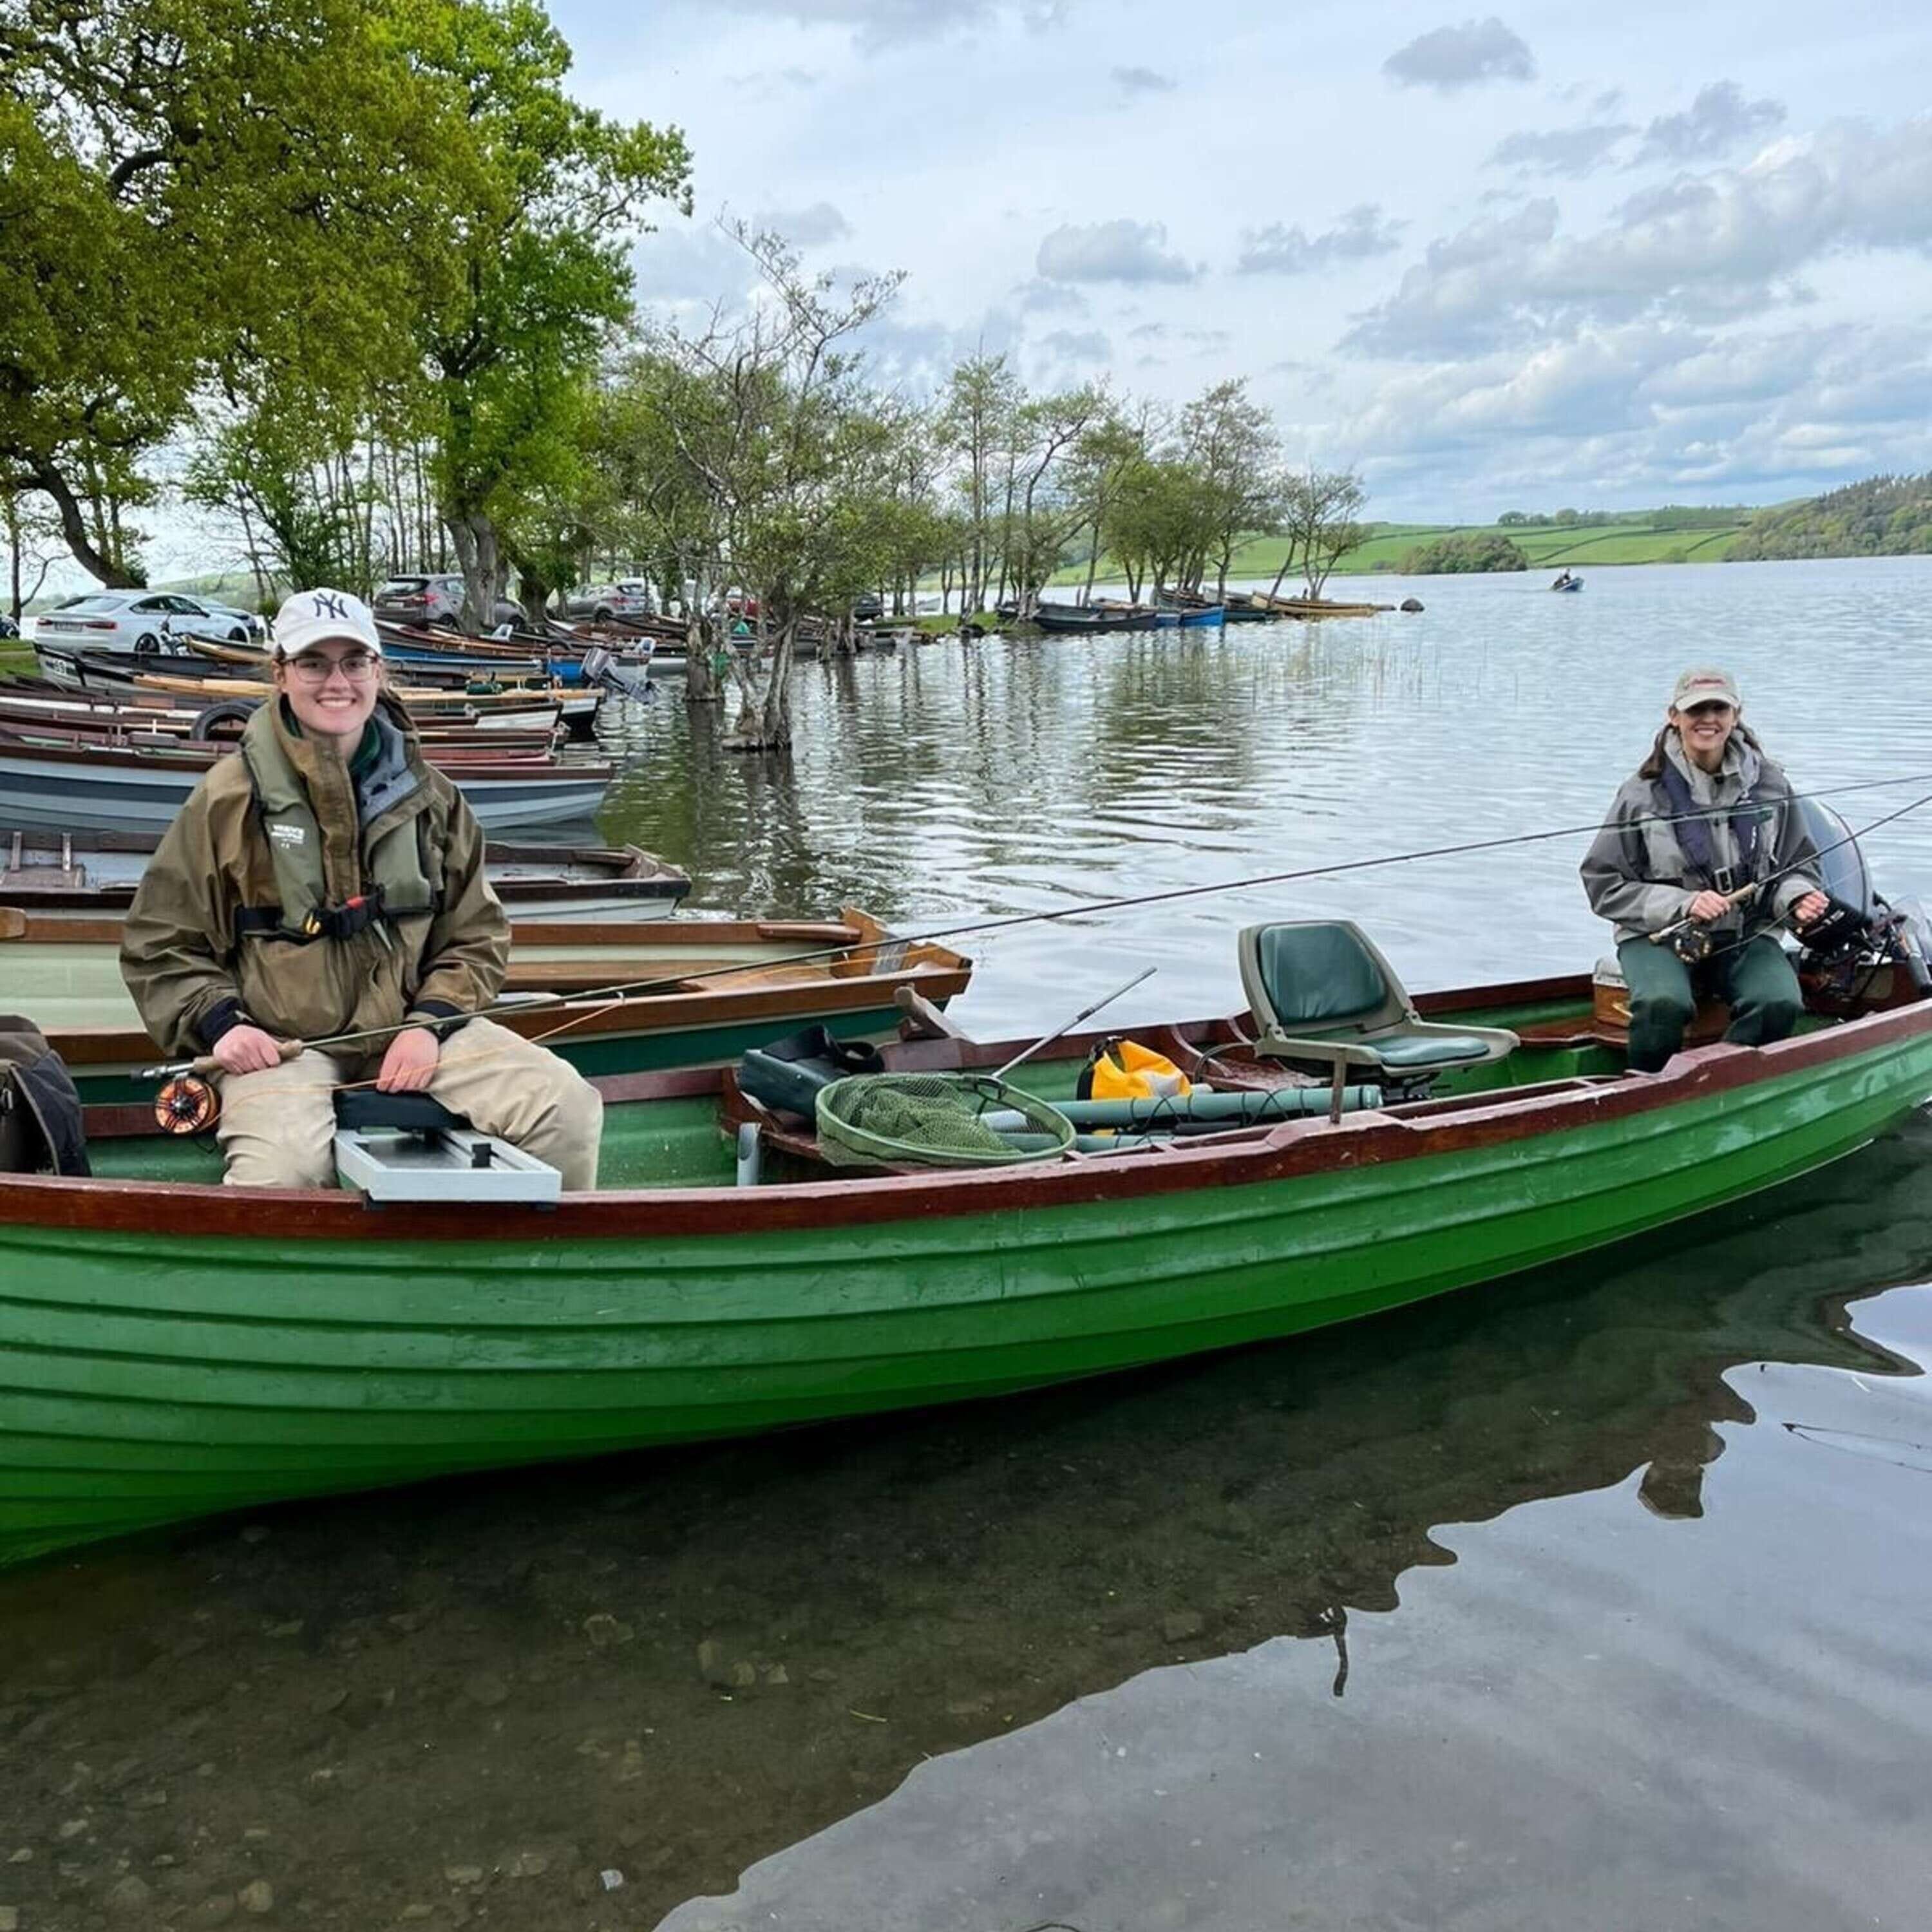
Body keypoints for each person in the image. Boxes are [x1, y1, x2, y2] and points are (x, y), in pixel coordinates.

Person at [120, 587, 603, 1189]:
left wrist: (428, 1024)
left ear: (378, 670)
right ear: (281, 674)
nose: (337, 682)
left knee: (566, 1107)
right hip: (282, 1050)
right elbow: (159, 945)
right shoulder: (224, 800)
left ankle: (526, 1247)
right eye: (313, 663)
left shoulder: (435, 798)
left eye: (354, 662)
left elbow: (476, 937)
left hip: (417, 1033)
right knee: (281, 1173)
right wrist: (226, 1026)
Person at [1581, 668, 1828, 1073]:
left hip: (1746, 933)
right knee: (1663, 1004)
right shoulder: (1640, 793)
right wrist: (1683, 904)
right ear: (1674, 717)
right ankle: (1647, 1090)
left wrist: (1797, 897)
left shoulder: (1771, 785)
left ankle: (1720, 1080)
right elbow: (1603, 883)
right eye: (1696, 710)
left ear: (1736, 716)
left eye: (1719, 708)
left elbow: (1800, 863)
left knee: (1779, 1002)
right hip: (1658, 936)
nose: (1708, 719)